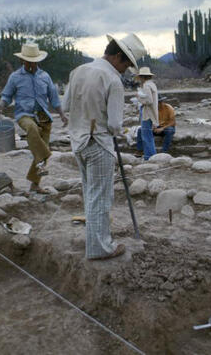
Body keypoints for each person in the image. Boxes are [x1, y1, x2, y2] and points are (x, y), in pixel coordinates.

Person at [62, 33, 146, 260]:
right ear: (118, 56)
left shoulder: (78, 71)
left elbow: (65, 105)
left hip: (78, 141)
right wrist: (114, 130)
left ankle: (95, 240)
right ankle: (100, 248)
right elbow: (115, 124)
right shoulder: (112, 80)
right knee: (100, 196)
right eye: (126, 64)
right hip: (99, 143)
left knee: (91, 194)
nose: (124, 70)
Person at [0, 42, 67, 194]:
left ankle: (35, 185)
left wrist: (62, 114)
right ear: (23, 60)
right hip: (24, 115)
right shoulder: (15, 77)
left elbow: (54, 98)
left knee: (40, 149)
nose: (31, 64)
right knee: (32, 129)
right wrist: (1, 105)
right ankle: (45, 155)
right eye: (28, 61)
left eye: (34, 62)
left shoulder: (45, 76)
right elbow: (7, 95)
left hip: (44, 117)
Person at [134, 67, 158, 160]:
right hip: (151, 112)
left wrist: (139, 98)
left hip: (147, 113)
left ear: (142, 77)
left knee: (146, 136)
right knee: (148, 135)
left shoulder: (146, 86)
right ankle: (151, 156)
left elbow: (149, 100)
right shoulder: (152, 84)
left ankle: (150, 156)